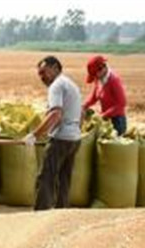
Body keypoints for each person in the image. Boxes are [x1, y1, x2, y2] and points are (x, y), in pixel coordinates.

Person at [24, 56, 82, 211]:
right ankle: (61, 212)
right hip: (75, 139)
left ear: (55, 67)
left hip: (61, 138)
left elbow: (56, 113)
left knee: (46, 177)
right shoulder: (71, 84)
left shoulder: (56, 86)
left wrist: (34, 135)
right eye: (40, 74)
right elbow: (80, 114)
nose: (42, 77)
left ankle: (40, 213)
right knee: (64, 179)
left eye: (44, 72)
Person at [82, 55, 128, 135]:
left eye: (95, 74)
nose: (95, 77)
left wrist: (103, 115)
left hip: (117, 121)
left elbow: (121, 104)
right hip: (106, 119)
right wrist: (83, 106)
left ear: (101, 69)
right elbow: (94, 98)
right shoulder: (99, 80)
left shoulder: (114, 81)